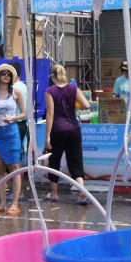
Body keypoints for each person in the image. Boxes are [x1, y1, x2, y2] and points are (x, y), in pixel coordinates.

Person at [44, 63, 90, 203]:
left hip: (57, 130)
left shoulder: (50, 91)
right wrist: (73, 104)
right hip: (73, 128)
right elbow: (86, 105)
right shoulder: (73, 87)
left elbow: (50, 113)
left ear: (52, 76)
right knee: (75, 160)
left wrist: (47, 135)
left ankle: (54, 194)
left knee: (54, 161)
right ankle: (82, 191)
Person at [0, 63, 26, 214]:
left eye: (8, 74)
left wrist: (13, 118)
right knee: (0, 170)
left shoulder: (16, 92)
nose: (6, 75)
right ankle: (2, 203)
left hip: (12, 131)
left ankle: (15, 203)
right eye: (3, 73)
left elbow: (24, 113)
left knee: (15, 168)